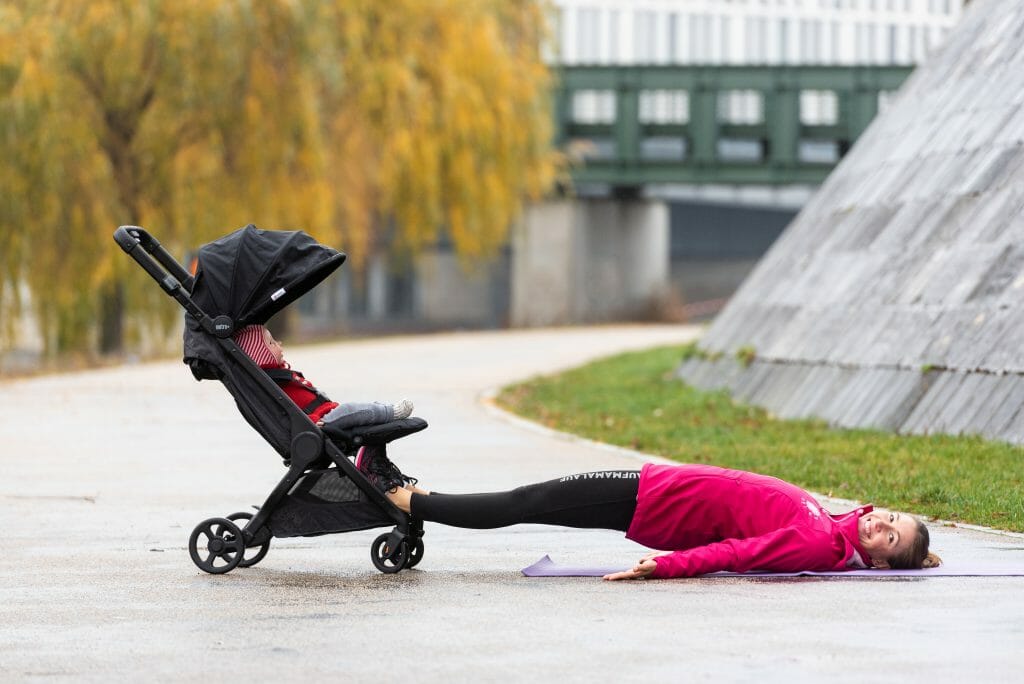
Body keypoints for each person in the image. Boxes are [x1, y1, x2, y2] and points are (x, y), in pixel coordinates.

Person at [355, 450, 941, 581]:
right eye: (890, 518)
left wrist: (661, 567)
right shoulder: (835, 522)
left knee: (524, 502)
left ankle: (402, 498)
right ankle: (409, 493)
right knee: (528, 498)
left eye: (891, 538)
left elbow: (737, 556)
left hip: (649, 501)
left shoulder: (820, 547)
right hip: (655, 484)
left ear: (881, 558)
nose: (881, 526)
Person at [232, 324, 413, 428]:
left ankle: (382, 411)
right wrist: (310, 423)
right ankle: (390, 412)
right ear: (261, 355)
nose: (279, 343)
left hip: (323, 414)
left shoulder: (279, 376)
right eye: (271, 343)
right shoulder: (271, 383)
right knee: (350, 410)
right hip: (318, 424)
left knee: (355, 408)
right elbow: (284, 414)